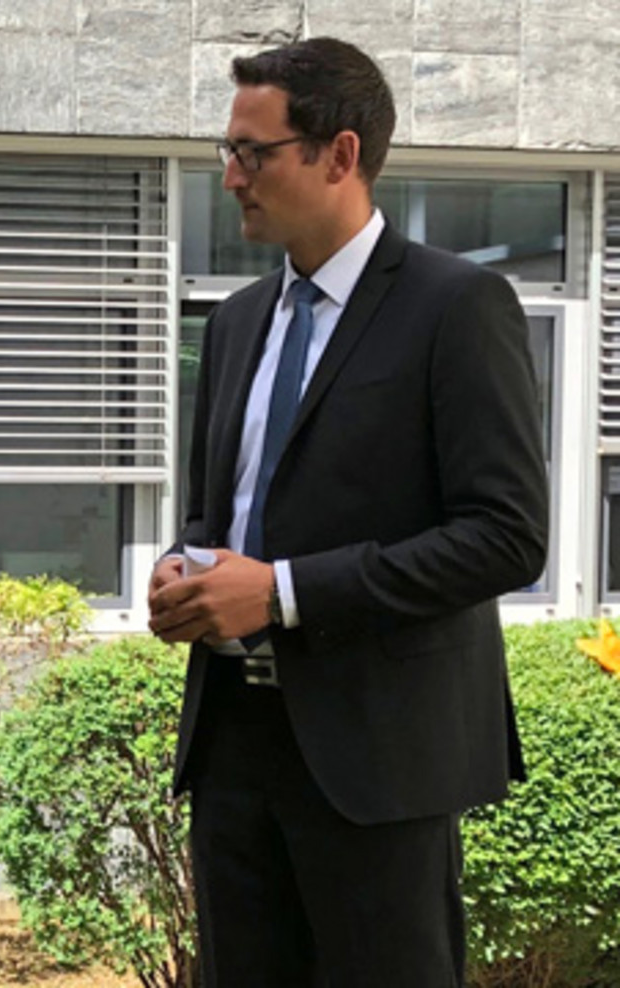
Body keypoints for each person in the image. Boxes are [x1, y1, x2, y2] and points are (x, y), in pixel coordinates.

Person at [148, 38, 548, 986]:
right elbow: (219, 517)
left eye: (254, 153)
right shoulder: (236, 320)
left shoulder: (458, 306)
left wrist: (280, 593)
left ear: (341, 154)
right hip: (232, 747)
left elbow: (505, 535)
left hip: (380, 760)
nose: (231, 176)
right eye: (228, 151)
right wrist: (183, 566)